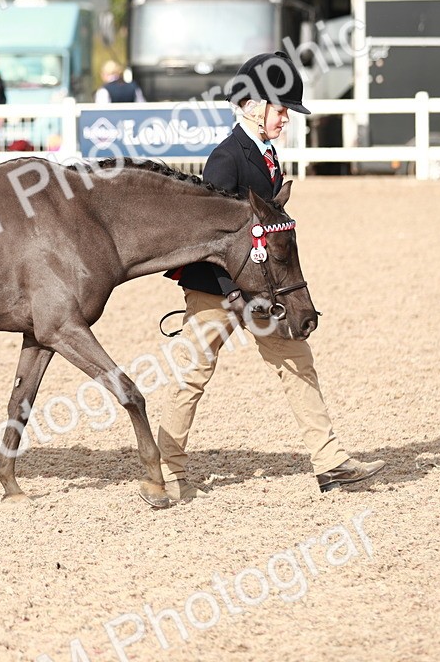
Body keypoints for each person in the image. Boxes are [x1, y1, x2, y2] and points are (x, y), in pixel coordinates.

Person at [158, 50, 385, 501]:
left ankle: (330, 462)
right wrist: (236, 295)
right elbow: (211, 238)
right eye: (281, 110)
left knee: (296, 361)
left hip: (260, 291)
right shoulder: (226, 159)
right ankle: (165, 472)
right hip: (217, 290)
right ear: (253, 106)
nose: (286, 118)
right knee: (193, 375)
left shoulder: (268, 156)